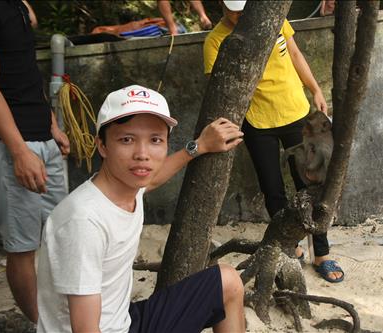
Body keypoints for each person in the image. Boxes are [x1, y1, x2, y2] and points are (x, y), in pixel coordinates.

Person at [37, 85, 246, 333]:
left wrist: (199, 146)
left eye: (155, 140)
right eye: (127, 140)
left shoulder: (126, 185)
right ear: (102, 146)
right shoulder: (83, 222)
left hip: (123, 320)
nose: (142, 154)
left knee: (229, 281)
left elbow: (154, 178)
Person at [203, 0, 344, 283]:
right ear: (221, 5)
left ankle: (322, 254)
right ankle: (289, 249)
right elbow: (219, 88)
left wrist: (314, 88)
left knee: (313, 185)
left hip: (296, 112)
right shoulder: (215, 41)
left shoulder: (273, 18)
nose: (240, 14)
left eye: (243, 7)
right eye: (233, 9)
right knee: (273, 190)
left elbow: (294, 53)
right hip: (257, 124)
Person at [0, 0, 69, 323]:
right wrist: (19, 152)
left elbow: (26, 70)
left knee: (64, 231)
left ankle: (62, 316)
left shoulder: (17, 6)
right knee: (23, 246)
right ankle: (39, 326)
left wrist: (52, 125)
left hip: (42, 136)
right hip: (9, 145)